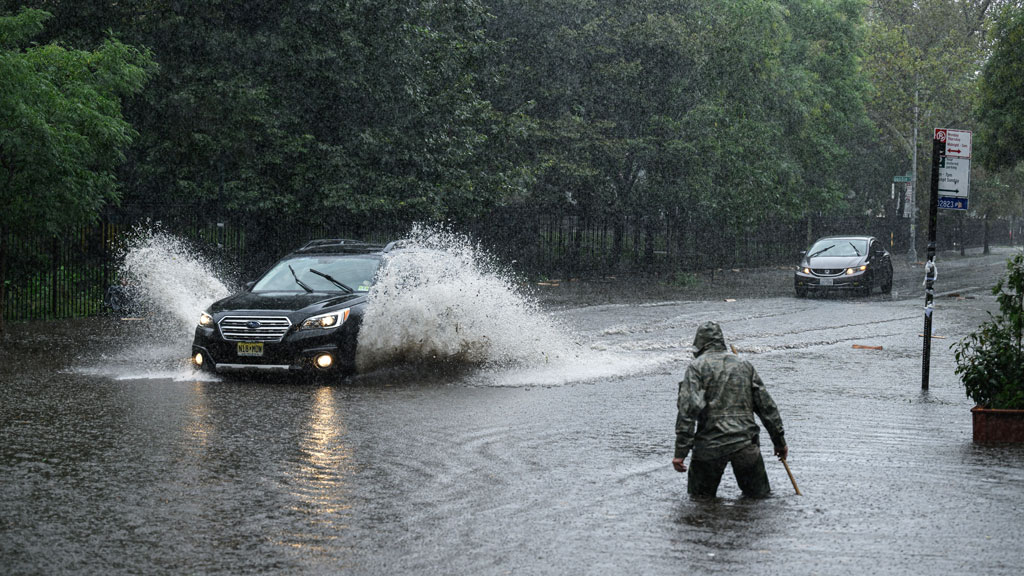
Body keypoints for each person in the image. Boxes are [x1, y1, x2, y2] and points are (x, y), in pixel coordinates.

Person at [672, 321, 787, 498]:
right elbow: (767, 407)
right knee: (759, 503)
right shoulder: (744, 365)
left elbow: (688, 411)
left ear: (699, 343)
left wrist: (680, 452)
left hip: (709, 447)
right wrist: (779, 441)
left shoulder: (696, 368)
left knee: (699, 505)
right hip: (746, 445)